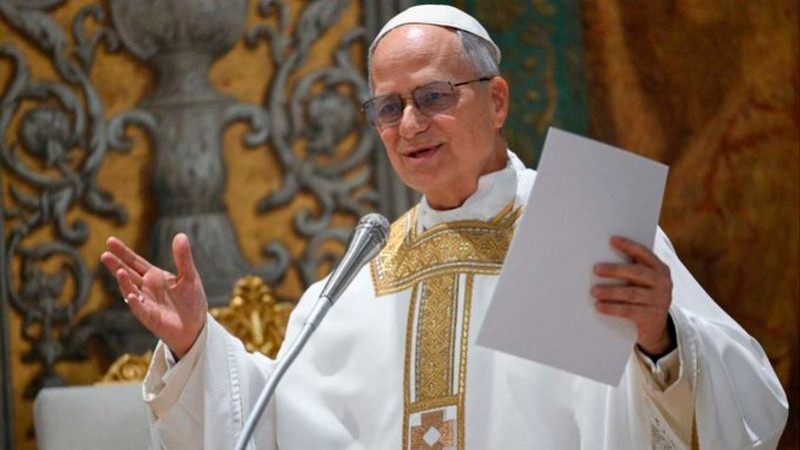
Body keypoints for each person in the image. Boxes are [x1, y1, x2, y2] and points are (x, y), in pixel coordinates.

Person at [101, 5, 787, 449]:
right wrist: (196, 345)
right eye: (389, 107)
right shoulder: (362, 275)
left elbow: (747, 397)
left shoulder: (583, 227)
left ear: (495, 99)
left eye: (433, 97)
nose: (409, 125)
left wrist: (660, 340)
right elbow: (278, 427)